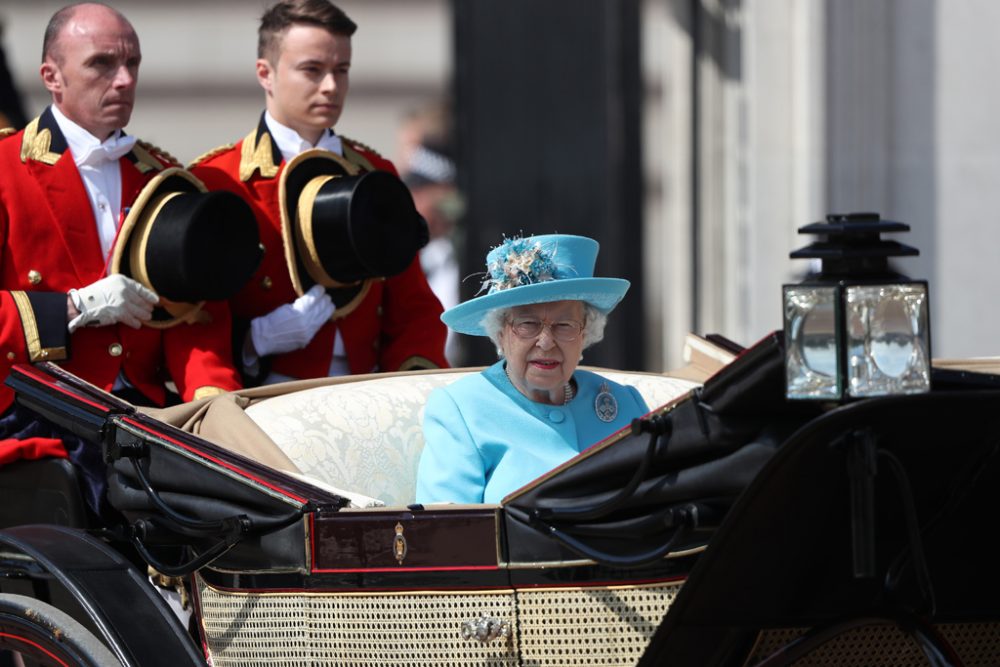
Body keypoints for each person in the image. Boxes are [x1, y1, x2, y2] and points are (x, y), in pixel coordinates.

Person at [0, 3, 243, 510]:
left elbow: (196, 321)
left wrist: (213, 410)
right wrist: (72, 308)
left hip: (145, 422)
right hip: (38, 413)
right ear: (52, 76)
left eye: (132, 63)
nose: (124, 79)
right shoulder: (5, 169)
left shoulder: (164, 178)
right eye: (102, 64)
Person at [190, 0, 448, 385]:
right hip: (262, 398)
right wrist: (253, 339)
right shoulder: (216, 178)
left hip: (369, 393)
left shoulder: (375, 172)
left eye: (341, 70)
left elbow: (413, 309)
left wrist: (413, 387)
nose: (331, 86)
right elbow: (195, 325)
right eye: (312, 70)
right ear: (266, 73)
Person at [416, 234, 650, 504]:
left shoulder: (625, 403)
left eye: (565, 325)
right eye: (527, 324)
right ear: (501, 332)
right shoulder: (461, 409)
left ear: (585, 333)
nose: (546, 342)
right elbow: (446, 532)